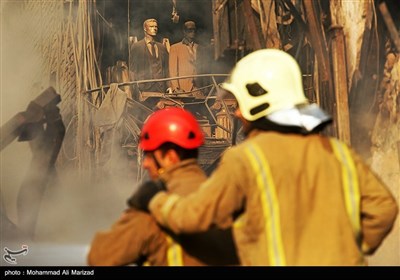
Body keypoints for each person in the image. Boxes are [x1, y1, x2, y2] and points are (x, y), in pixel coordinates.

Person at [129, 49, 398, 266]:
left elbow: (195, 218)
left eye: (240, 102)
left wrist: (155, 200)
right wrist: (346, 250)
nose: (235, 113)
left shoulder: (244, 159)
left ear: (262, 100)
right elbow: (383, 209)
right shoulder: (338, 152)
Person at [87, 107, 238, 266]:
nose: (145, 164)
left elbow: (100, 257)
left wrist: (133, 209)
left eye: (149, 156)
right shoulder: (225, 198)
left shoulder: (153, 208)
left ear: (170, 157)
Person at [129, 18, 170, 96]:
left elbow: (167, 69)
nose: (154, 29)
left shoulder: (161, 47)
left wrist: (169, 86)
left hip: (161, 89)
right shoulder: (137, 47)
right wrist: (135, 90)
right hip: (144, 89)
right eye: (151, 26)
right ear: (145, 28)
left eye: (156, 27)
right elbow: (132, 70)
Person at [169, 21, 200, 95]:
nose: (192, 32)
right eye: (190, 30)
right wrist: (176, 88)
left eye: (194, 30)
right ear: (184, 32)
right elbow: (173, 71)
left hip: (198, 88)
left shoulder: (199, 47)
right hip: (183, 89)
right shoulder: (175, 48)